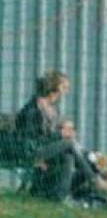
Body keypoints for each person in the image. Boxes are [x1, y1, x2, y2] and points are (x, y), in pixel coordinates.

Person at [14, 71, 71, 200]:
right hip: (32, 150)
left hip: (43, 147)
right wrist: (60, 134)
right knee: (69, 143)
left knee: (68, 155)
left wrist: (63, 127)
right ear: (54, 88)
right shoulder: (34, 109)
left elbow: (49, 130)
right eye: (64, 87)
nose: (66, 91)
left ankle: (59, 196)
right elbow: (34, 136)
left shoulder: (52, 108)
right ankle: (94, 179)